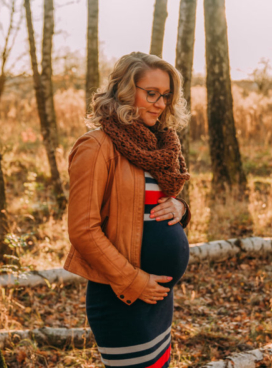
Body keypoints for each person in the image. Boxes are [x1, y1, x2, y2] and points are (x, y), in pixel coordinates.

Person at [64, 51, 192, 368]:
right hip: (122, 297)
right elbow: (83, 230)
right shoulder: (97, 147)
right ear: (124, 90)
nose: (160, 104)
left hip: (159, 300)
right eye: (151, 94)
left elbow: (154, 209)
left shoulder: (161, 145)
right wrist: (135, 281)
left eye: (166, 96)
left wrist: (181, 208)